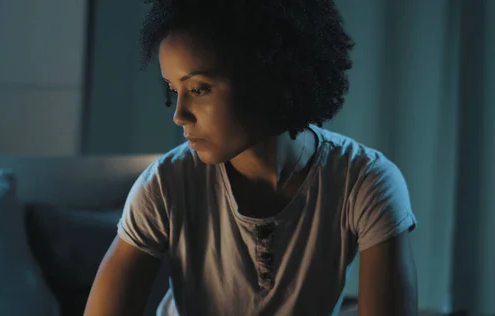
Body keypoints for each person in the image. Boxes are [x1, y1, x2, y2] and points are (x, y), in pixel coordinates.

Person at [85, 0, 418, 315]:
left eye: (199, 88)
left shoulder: (365, 181)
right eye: (174, 90)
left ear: (265, 76)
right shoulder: (166, 183)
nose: (179, 115)